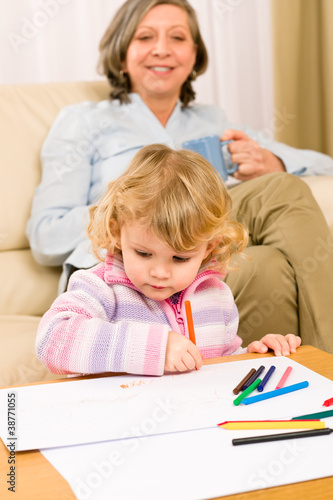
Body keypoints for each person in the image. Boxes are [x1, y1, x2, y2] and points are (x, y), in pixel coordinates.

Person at [26, 0, 333, 353]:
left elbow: (323, 163)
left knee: (279, 198)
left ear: (194, 55)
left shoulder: (214, 122)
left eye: (177, 37)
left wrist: (269, 160)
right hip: (124, 260)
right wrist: (136, 209)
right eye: (145, 37)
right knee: (268, 263)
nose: (161, 49)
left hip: (199, 254)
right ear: (122, 50)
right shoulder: (83, 121)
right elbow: (44, 236)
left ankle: (311, 371)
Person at [35, 145, 302, 376]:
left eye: (180, 258)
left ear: (209, 248)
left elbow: (218, 366)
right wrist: (154, 349)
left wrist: (252, 356)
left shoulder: (217, 297)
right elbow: (52, 341)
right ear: (117, 233)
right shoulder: (100, 288)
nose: (160, 272)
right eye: (143, 253)